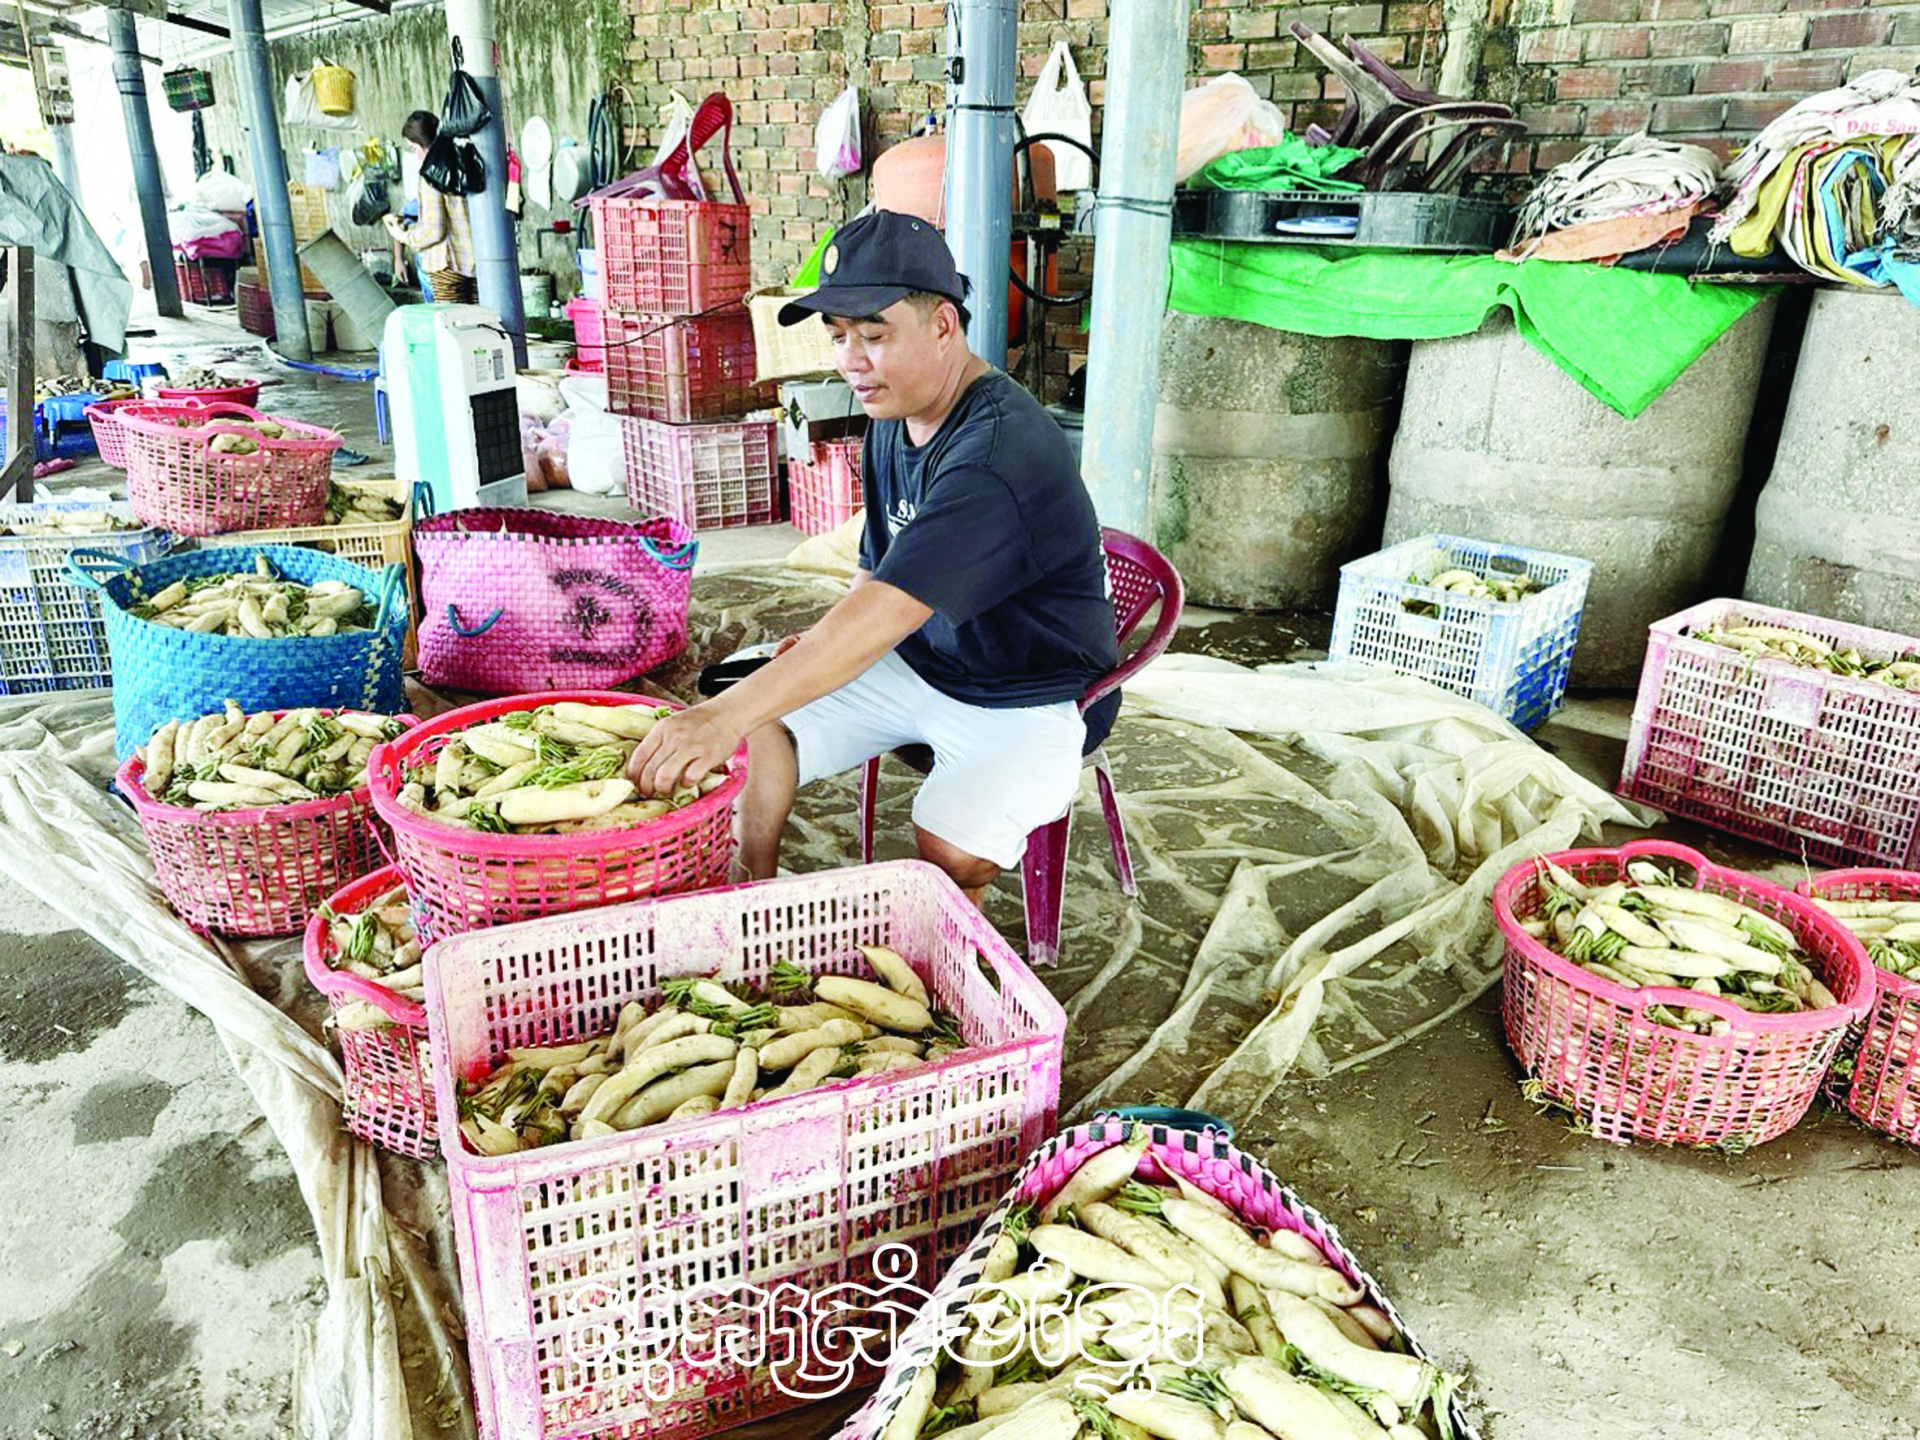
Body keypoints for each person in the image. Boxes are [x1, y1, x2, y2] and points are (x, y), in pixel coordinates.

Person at [626, 209, 1118, 902]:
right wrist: (806, 659)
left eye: (874, 335)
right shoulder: (894, 415)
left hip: (1027, 690)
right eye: (838, 337)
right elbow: (875, 571)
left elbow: (886, 611)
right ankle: (744, 901)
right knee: (753, 718)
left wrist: (731, 710)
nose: (851, 360)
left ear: (944, 325)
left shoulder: (999, 454)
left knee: (947, 849)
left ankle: (945, 960)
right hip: (923, 658)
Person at [384, 110, 476, 304]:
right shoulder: (463, 162)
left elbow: (435, 231)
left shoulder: (431, 175)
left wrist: (402, 236)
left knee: (455, 329)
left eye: (413, 148)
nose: (416, 155)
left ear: (421, 145)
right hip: (475, 263)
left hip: (446, 265)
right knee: (483, 326)